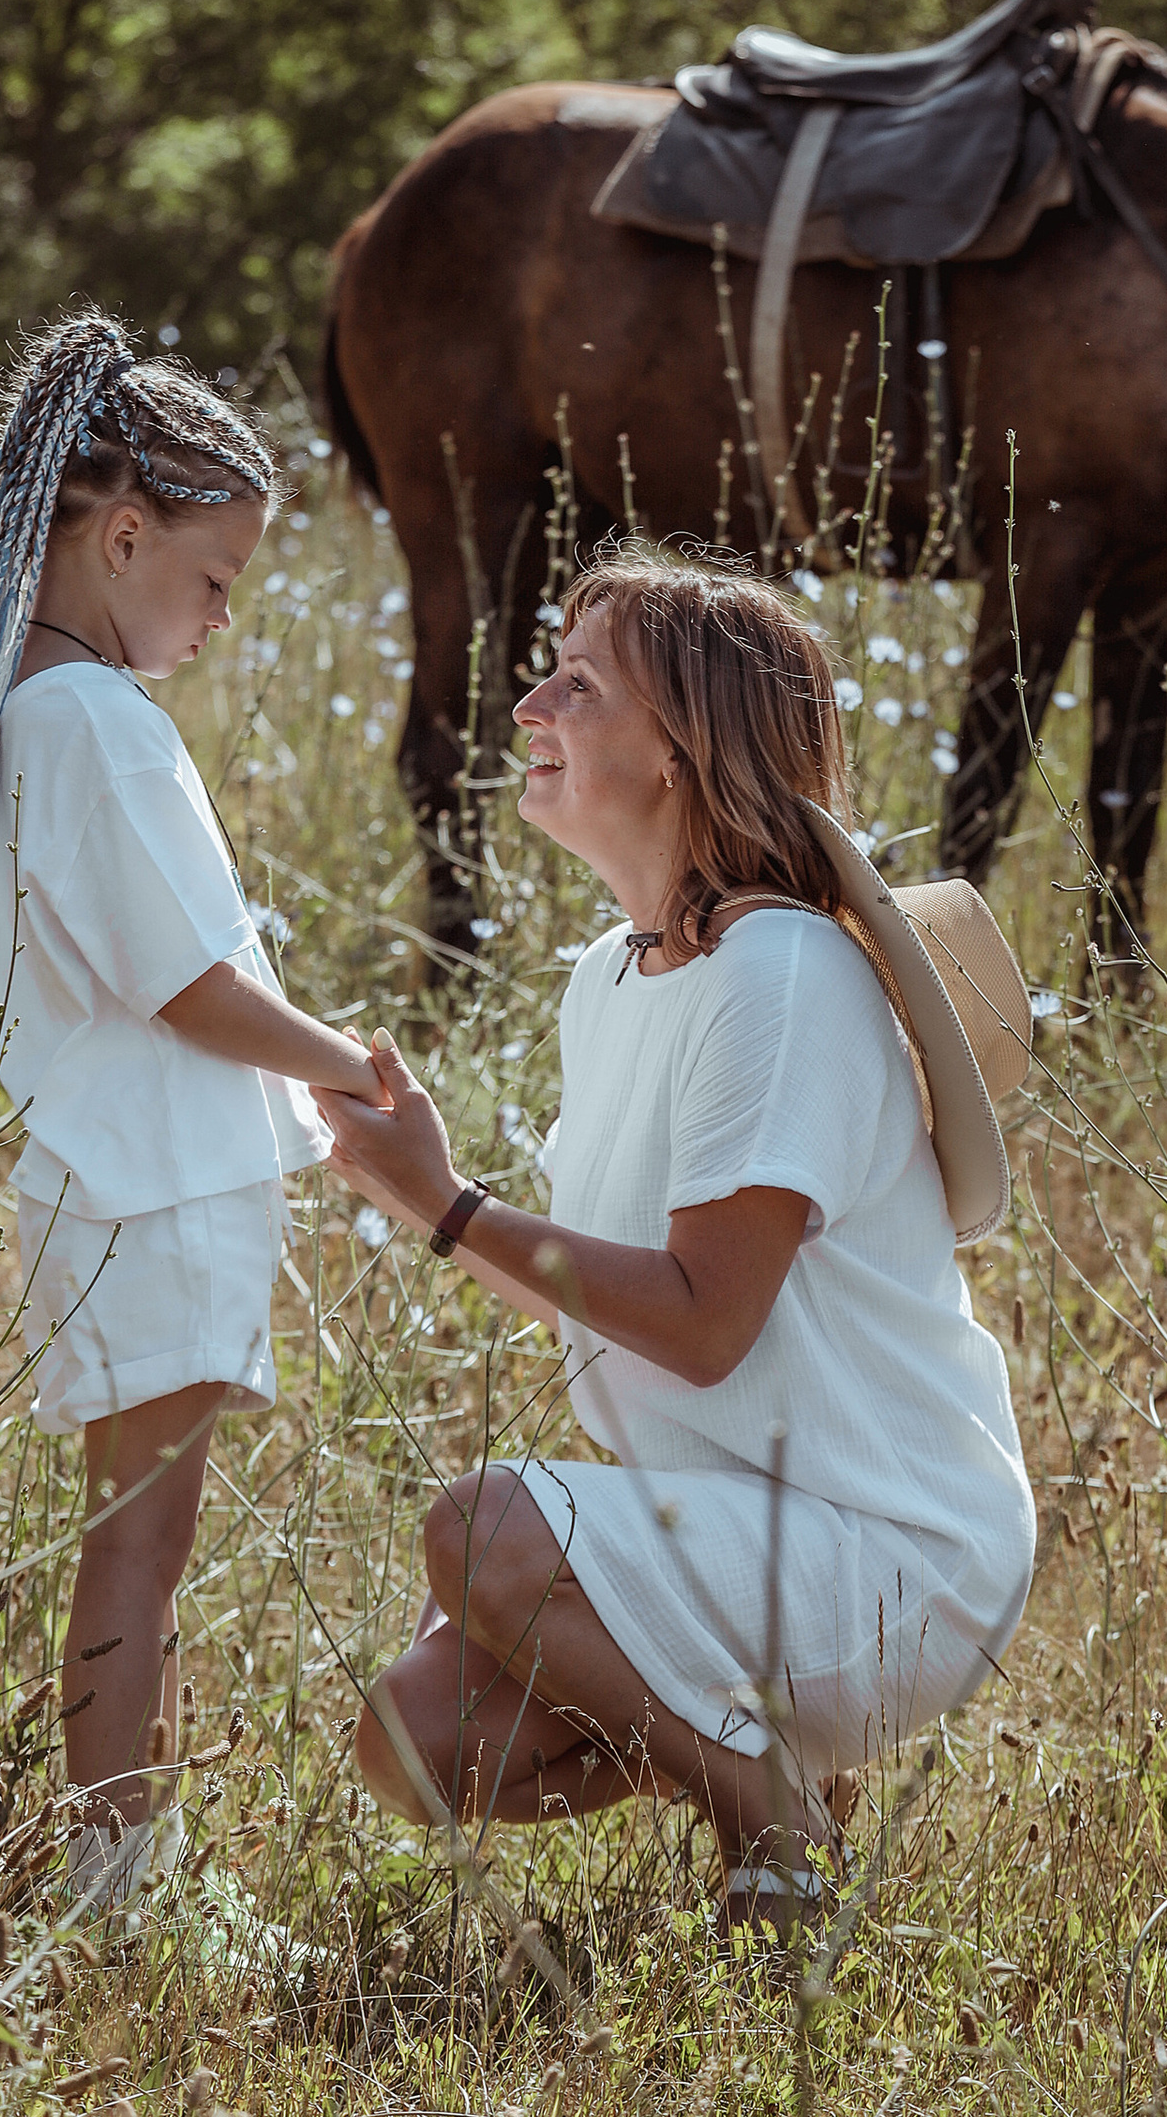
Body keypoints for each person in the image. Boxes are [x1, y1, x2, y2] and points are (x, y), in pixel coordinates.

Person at [320, 548, 1034, 1927]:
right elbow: (631, 1302)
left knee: (482, 1529)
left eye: (577, 685)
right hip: (747, 1529)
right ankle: (768, 1774)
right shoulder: (611, 977)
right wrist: (429, 1194)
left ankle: (764, 1825)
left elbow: (705, 1323)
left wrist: (446, 1205)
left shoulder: (779, 974)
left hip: (892, 1549)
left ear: (680, 752)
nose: (528, 702)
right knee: (413, 1741)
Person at [0, 310, 377, 1913]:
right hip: (153, 1188)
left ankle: (135, 1868)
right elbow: (189, 984)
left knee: (141, 1549)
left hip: (128, 1181)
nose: (221, 618)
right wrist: (349, 1062)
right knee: (139, 1557)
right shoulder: (96, 723)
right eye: (215, 579)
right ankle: (119, 1885)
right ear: (119, 536)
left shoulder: (38, 712)